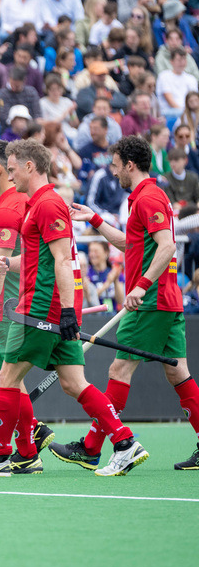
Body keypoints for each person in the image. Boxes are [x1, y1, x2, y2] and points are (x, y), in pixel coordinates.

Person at [0, 140, 149, 477]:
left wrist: (67, 312)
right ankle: (124, 441)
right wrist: (7, 264)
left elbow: (62, 260)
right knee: (74, 383)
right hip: (54, 307)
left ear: (30, 166)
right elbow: (40, 258)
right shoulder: (38, 204)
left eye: (13, 169)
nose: (10, 176)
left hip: (43, 306)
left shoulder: (46, 204)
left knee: (7, 377)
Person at [57, 136, 199, 471]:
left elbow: (167, 246)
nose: (113, 171)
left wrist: (142, 285)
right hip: (165, 300)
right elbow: (130, 243)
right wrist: (95, 219)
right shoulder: (145, 198)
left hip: (150, 301)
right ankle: (92, 447)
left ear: (130, 165)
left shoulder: (148, 198)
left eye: (116, 165)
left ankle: (95, 447)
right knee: (177, 371)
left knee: (118, 370)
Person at [0, 140, 54, 473]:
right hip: (13, 305)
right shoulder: (18, 201)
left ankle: (22, 448)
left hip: (9, 307)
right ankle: (30, 433)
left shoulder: (8, 208)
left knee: (8, 378)